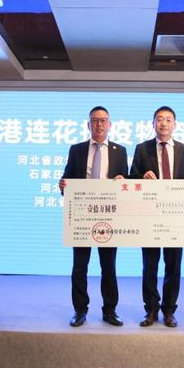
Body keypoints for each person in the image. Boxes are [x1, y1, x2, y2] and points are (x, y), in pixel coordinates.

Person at [130, 106, 184, 328]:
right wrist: (142, 177)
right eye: (159, 119)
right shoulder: (142, 149)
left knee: (173, 266)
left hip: (175, 219)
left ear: (175, 124)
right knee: (149, 266)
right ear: (153, 124)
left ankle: (169, 310)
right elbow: (132, 179)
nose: (163, 123)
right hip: (150, 217)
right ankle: (151, 310)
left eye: (168, 120)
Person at [59, 106, 128, 327]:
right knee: (80, 267)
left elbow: (127, 181)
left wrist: (124, 181)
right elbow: (67, 177)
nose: (99, 124)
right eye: (95, 120)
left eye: (103, 120)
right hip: (82, 216)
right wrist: (63, 185)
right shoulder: (76, 150)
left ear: (110, 125)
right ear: (88, 124)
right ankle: (80, 310)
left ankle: (110, 310)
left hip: (109, 216)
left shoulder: (120, 151)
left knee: (109, 267)